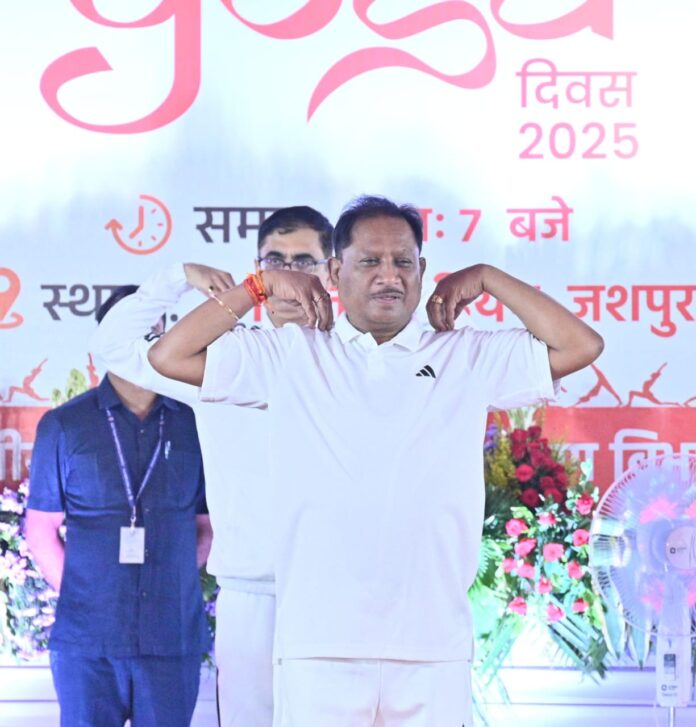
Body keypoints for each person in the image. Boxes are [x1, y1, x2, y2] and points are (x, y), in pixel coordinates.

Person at [148, 195, 604, 727]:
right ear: (334, 273)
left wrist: (488, 277)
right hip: (318, 646)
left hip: (432, 645)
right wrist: (259, 287)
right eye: (370, 261)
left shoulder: (465, 354)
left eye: (403, 261)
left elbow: (582, 345)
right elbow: (169, 355)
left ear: (423, 272)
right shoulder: (293, 353)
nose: (389, 276)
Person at [90, 206, 334, 726]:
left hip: (339, 594)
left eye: (304, 261)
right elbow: (113, 346)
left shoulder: (358, 359)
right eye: (275, 261)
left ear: (332, 271)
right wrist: (178, 277)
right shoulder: (221, 359)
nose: (289, 274)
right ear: (257, 271)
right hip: (250, 593)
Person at [25, 286, 212, 727]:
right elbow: (41, 531)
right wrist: (91, 595)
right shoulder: (65, 425)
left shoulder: (194, 422)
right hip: (88, 643)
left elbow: (206, 526)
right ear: (104, 340)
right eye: (130, 332)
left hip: (171, 640)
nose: (144, 344)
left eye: (154, 333)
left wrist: (169, 579)